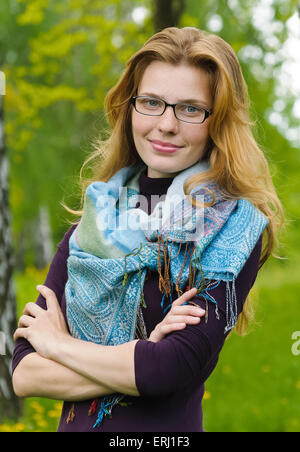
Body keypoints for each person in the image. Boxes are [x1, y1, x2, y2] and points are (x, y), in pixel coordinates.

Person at [12, 27, 283, 432]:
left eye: (191, 109)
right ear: (130, 108)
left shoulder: (232, 227)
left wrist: (60, 346)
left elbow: (171, 369)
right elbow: (25, 373)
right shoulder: (93, 223)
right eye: (152, 102)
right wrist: (141, 355)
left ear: (219, 120)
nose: (167, 124)